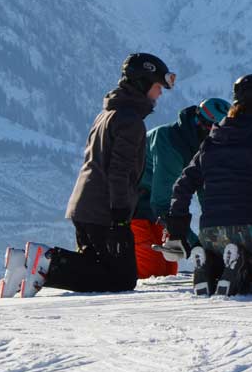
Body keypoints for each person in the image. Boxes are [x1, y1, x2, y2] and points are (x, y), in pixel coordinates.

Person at [10, 53, 174, 297]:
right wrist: (119, 217)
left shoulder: (108, 113)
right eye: (158, 86)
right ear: (142, 83)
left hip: (87, 205)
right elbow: (119, 170)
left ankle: (24, 266)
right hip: (104, 210)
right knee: (121, 278)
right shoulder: (130, 120)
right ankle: (46, 262)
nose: (160, 93)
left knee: (100, 267)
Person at [165, 74, 252, 295]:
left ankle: (212, 267)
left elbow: (183, 184)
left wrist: (177, 226)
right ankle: (245, 269)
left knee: (228, 259)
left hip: (210, 233)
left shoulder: (211, 141)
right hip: (250, 228)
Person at [130, 97, 230, 279]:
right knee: (151, 270)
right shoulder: (169, 142)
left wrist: (217, 241)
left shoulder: (202, 147)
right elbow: (162, 202)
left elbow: (206, 196)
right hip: (130, 209)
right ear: (207, 127)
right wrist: (196, 244)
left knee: (167, 271)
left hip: (153, 212)